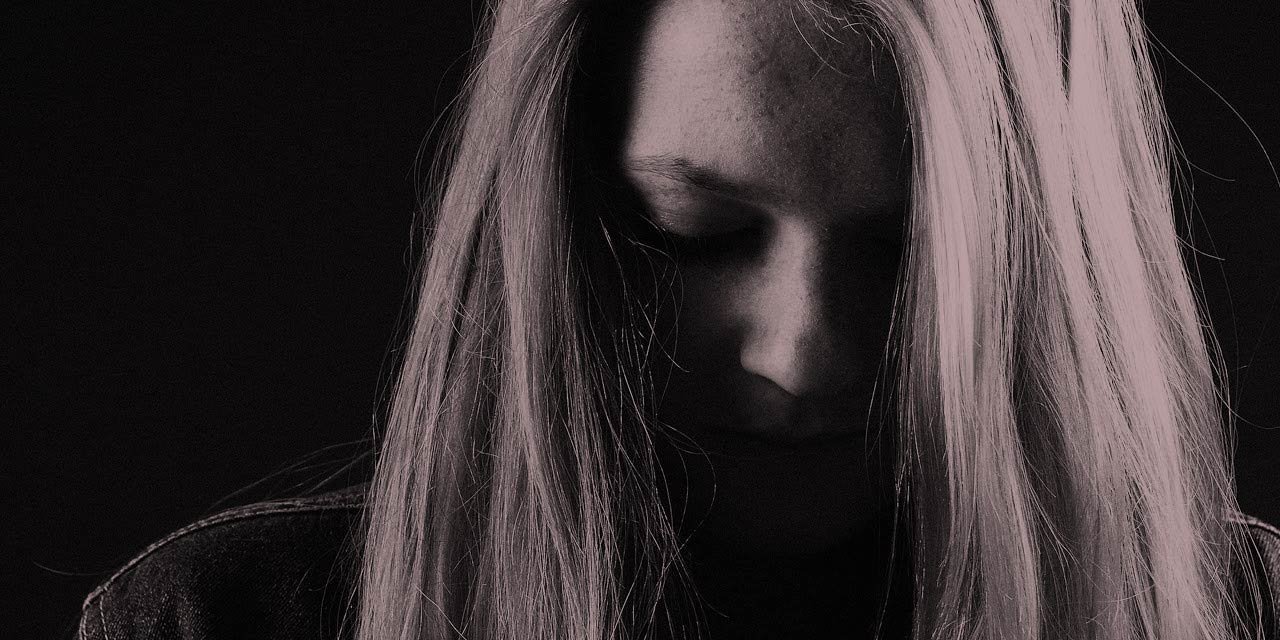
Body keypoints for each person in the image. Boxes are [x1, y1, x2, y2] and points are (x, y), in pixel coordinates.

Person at [77, 0, 1280, 639]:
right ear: (553, 215)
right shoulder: (221, 621)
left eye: (908, 253)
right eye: (690, 232)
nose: (802, 354)